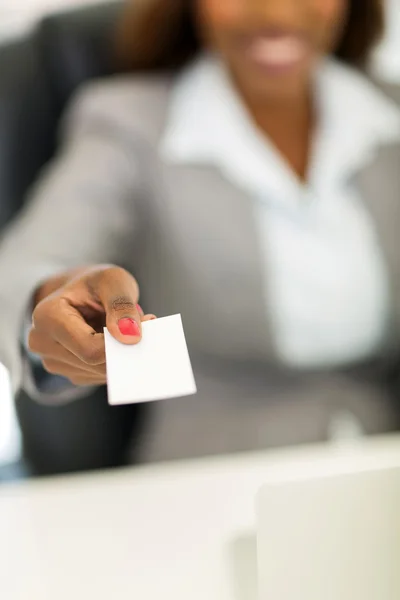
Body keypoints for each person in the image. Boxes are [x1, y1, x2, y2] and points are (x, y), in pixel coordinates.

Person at [0, 0, 399, 473]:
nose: (275, 13)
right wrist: (51, 299)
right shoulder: (129, 124)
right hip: (206, 484)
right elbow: (26, 263)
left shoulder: (388, 110)